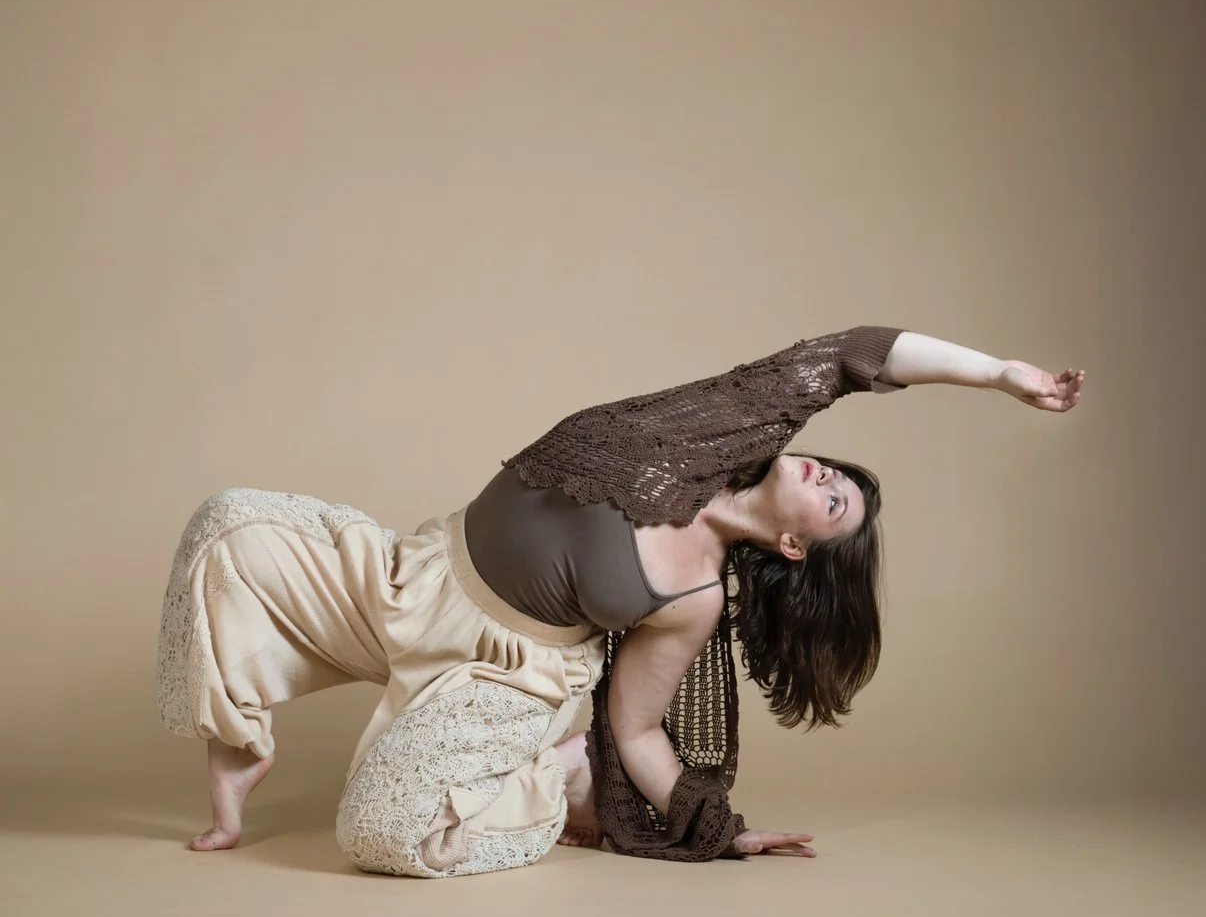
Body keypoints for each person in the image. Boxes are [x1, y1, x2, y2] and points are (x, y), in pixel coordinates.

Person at [155, 326, 1084, 877]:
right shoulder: (713, 429)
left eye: (834, 499)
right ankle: (240, 750)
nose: (823, 469)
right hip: (410, 576)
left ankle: (549, 776)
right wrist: (1004, 375)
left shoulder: (692, 598)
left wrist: (718, 831)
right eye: (837, 470)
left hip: (504, 670)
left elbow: (637, 730)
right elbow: (854, 352)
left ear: (797, 545)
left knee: (378, 835)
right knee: (230, 527)